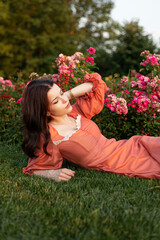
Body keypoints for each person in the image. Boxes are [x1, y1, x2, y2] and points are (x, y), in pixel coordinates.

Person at [22, 73, 160, 182]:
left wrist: (68, 94)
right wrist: (52, 173)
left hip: (130, 146)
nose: (64, 100)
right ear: (45, 111)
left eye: (61, 93)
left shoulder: (76, 112)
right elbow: (34, 168)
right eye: (56, 100)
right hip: (120, 163)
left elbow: (94, 85)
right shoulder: (50, 136)